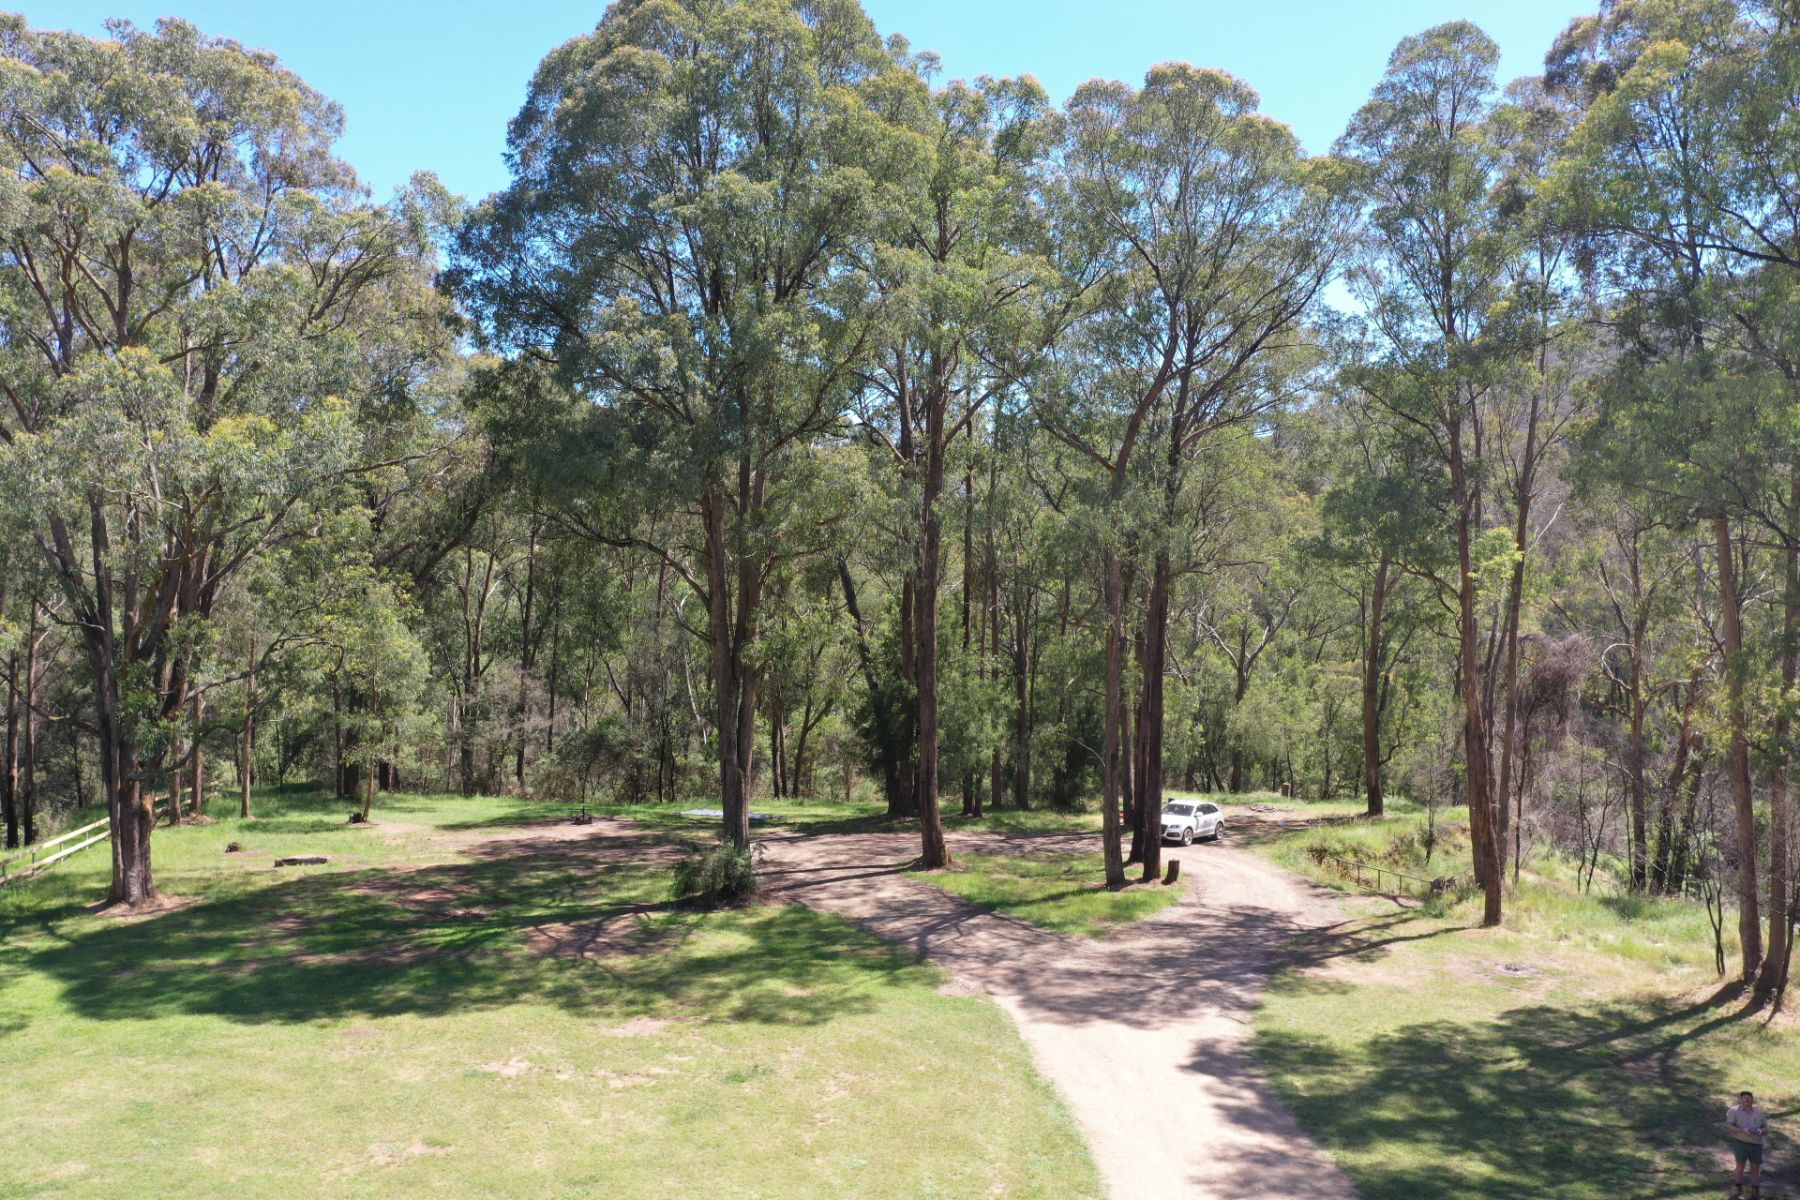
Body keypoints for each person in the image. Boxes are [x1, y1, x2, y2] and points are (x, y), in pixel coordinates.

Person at [1727, 1090, 1769, 1198]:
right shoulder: (1734, 1111)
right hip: (1740, 1143)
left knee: (1755, 1169)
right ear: (1741, 1100)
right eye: (1744, 1098)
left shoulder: (1759, 1113)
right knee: (1740, 1167)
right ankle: (1738, 1192)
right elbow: (1729, 1127)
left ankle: (1755, 1194)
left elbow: (1766, 1129)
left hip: (1756, 1145)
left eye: (1749, 1098)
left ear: (1752, 1100)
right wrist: (1742, 1130)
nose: (1747, 1100)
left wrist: (1762, 1131)